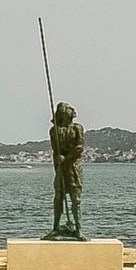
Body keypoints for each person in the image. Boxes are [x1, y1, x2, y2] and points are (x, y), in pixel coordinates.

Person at [50, 102, 84, 239]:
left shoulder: (77, 128)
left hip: (73, 168)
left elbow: (79, 148)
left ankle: (78, 229)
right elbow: (55, 149)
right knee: (58, 197)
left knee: (76, 199)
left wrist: (66, 157)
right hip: (60, 168)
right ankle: (56, 227)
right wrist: (58, 160)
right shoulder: (54, 130)